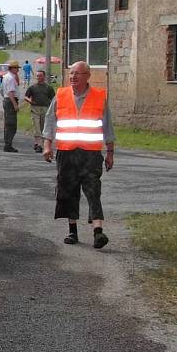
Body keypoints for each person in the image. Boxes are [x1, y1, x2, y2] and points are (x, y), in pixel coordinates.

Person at [43, 61, 115, 249]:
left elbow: (107, 127)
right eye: (71, 73)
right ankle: (72, 231)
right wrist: (47, 145)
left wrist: (110, 152)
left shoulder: (99, 97)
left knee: (93, 191)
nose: (73, 77)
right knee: (68, 191)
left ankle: (98, 232)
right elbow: (50, 121)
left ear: (87, 76)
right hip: (66, 152)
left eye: (78, 74)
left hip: (91, 154)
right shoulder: (61, 95)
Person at [24, 69, 55, 153]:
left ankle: (38, 143)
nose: (39, 77)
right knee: (36, 127)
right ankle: (39, 145)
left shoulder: (48, 88)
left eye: (40, 76)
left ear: (44, 77)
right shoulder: (32, 87)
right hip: (35, 108)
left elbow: (53, 99)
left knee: (43, 127)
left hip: (45, 109)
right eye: (37, 76)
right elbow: (26, 96)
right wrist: (30, 101)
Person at [1, 59, 21, 152]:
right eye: (16, 68)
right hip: (10, 100)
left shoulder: (6, 76)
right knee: (11, 124)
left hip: (7, 100)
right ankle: (8, 144)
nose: (18, 70)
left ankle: (8, 143)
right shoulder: (10, 78)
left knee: (8, 123)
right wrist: (15, 105)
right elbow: (10, 92)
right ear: (12, 68)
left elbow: (3, 90)